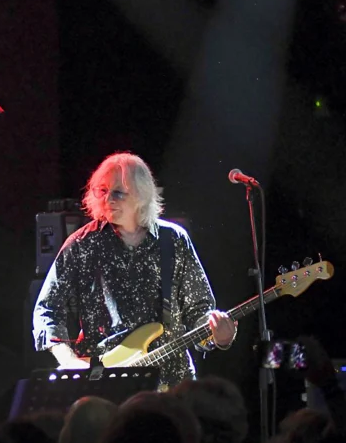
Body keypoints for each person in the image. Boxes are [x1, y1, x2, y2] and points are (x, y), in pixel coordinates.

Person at [32, 152, 235, 388]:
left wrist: (218, 335)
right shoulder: (82, 244)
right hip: (106, 382)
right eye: (102, 191)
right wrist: (68, 360)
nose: (108, 200)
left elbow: (199, 310)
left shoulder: (173, 240)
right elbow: (47, 308)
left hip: (172, 383)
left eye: (118, 192)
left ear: (142, 195)